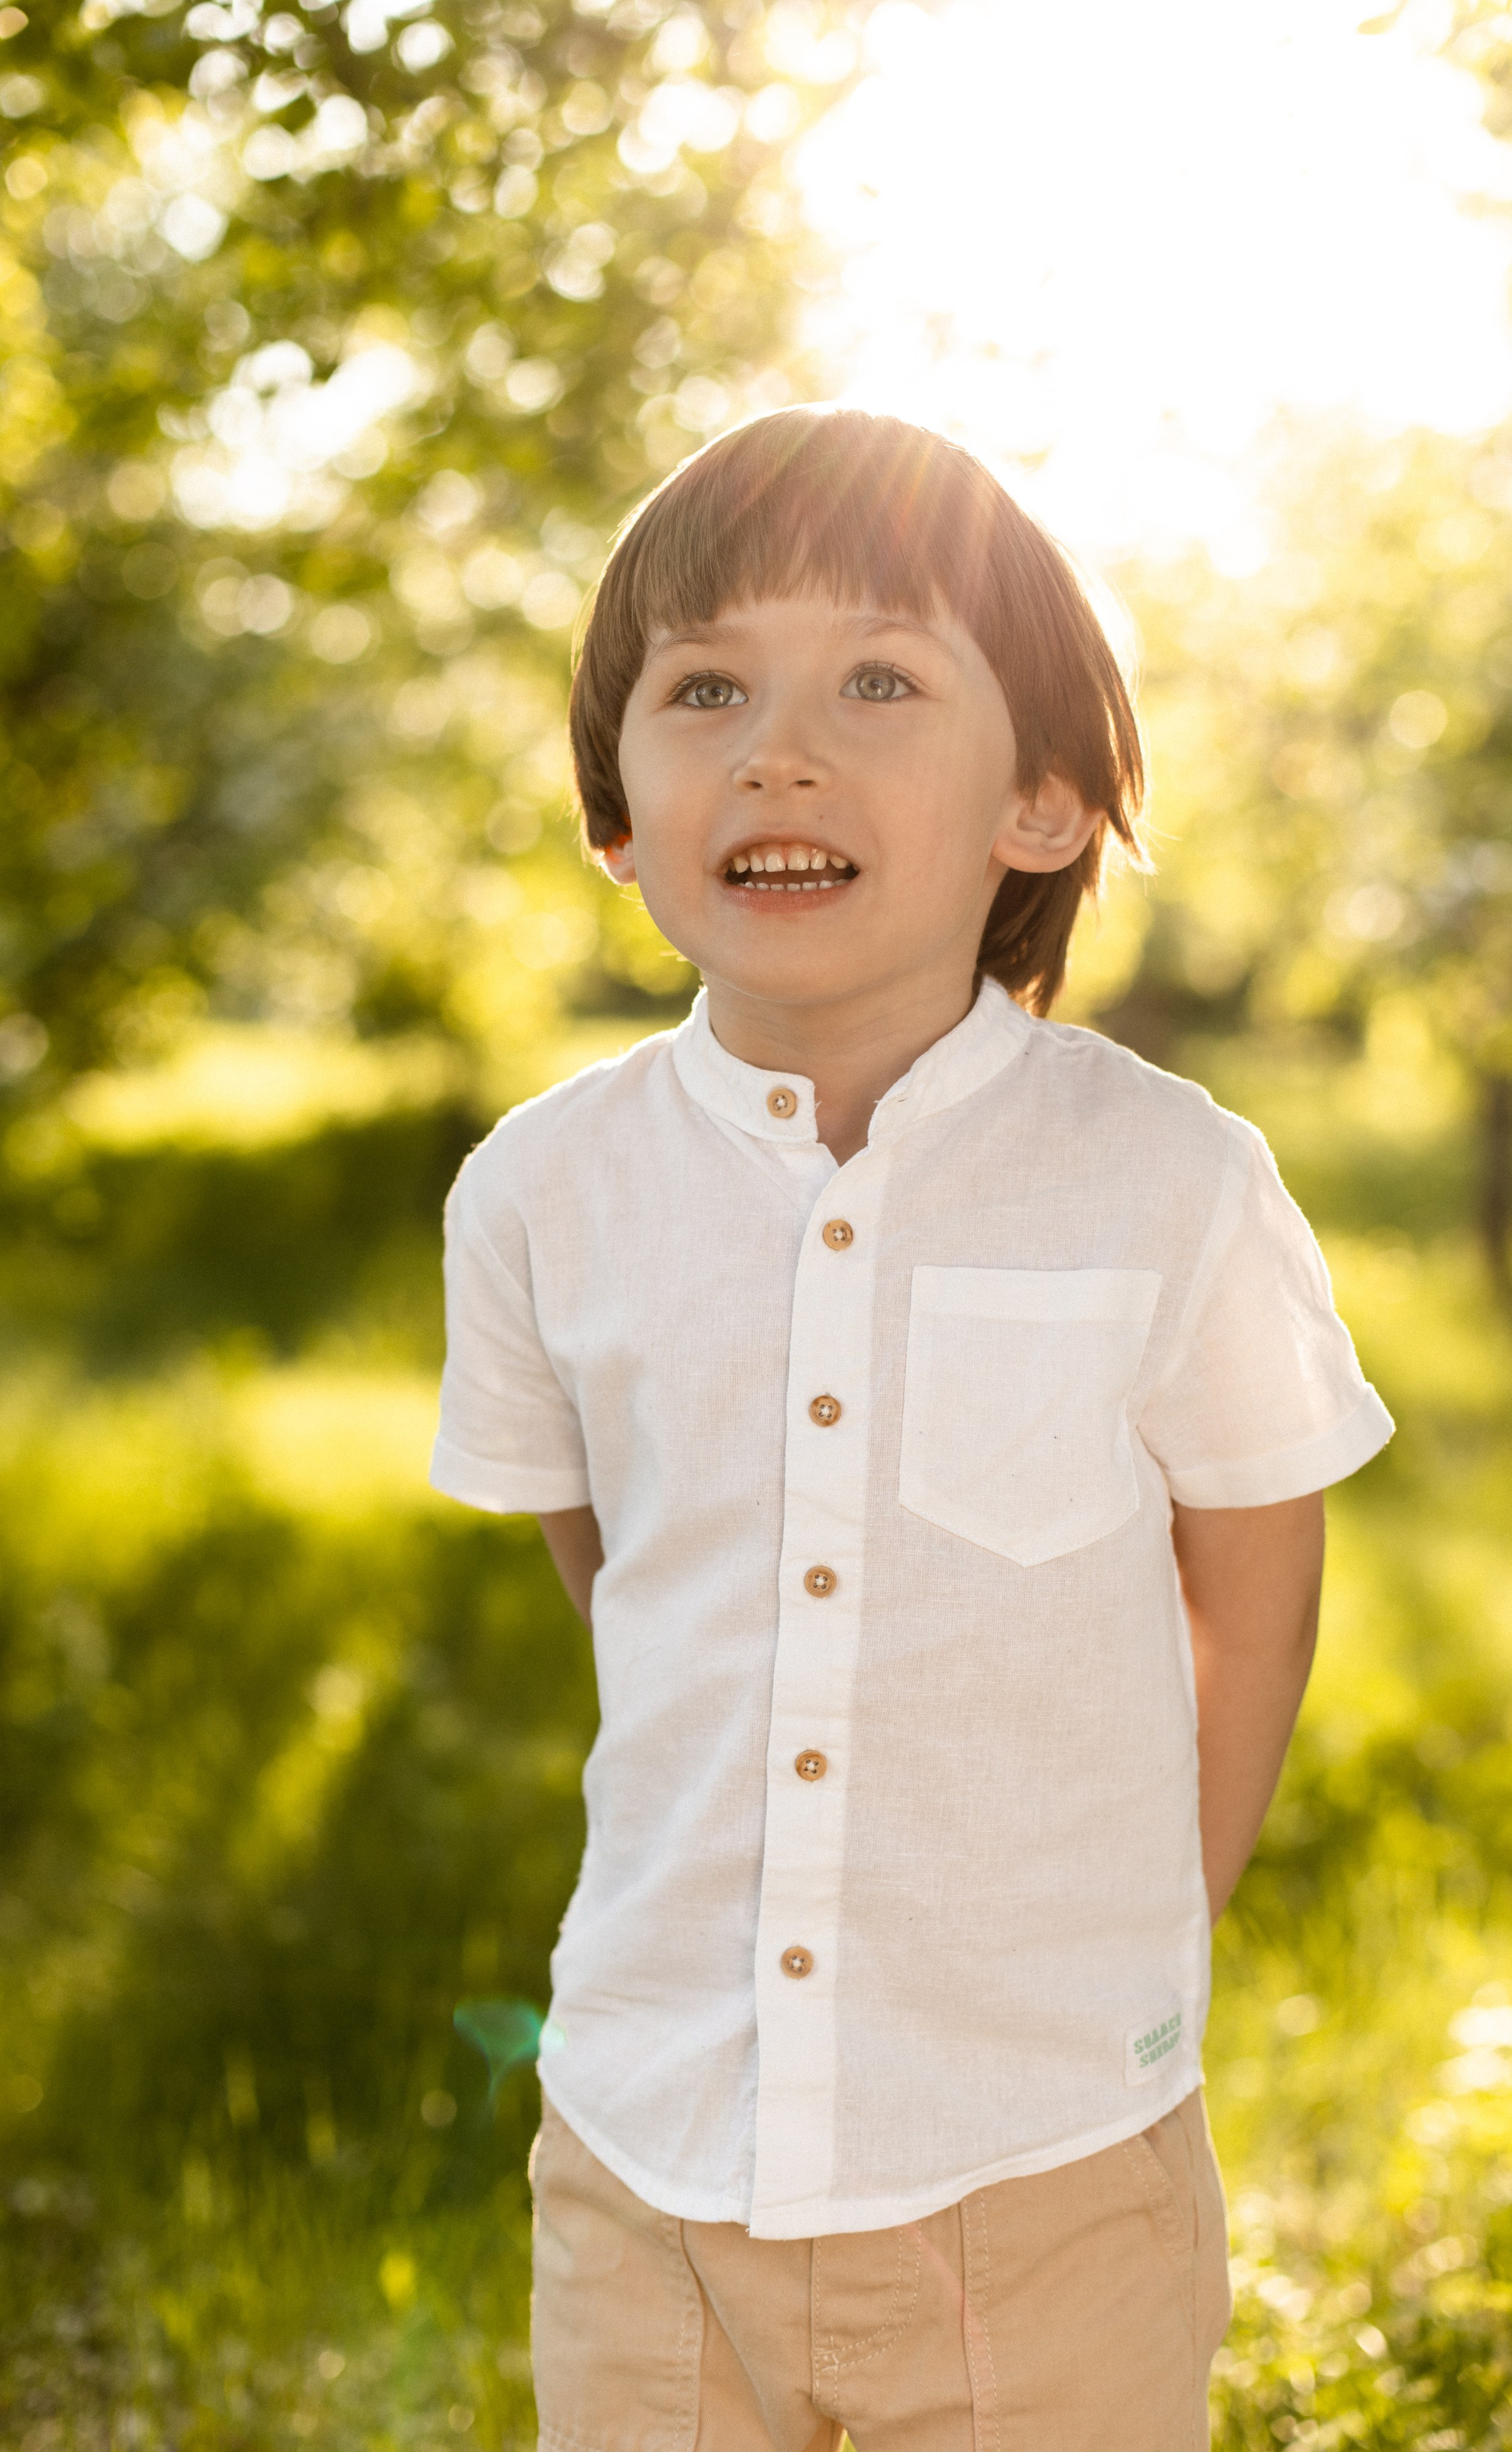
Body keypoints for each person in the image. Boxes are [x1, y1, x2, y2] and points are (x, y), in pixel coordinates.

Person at [429, 407, 1393, 2450]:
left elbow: (1253, 1596)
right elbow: (629, 1582)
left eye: (879, 682)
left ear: (1040, 802)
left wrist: (1148, 1930)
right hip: (653, 2160)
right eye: (707, 692)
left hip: (1045, 2169)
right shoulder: (539, 1193)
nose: (780, 754)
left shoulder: (1170, 1180)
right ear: (619, 818)